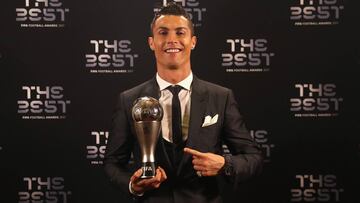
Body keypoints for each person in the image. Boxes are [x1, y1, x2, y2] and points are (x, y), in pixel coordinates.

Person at [104, 2, 263, 203]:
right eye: (163, 33)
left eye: (180, 33)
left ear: (193, 41)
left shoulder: (221, 97)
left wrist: (224, 164)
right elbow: (112, 163)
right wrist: (133, 185)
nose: (172, 40)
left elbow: (253, 158)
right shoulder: (129, 100)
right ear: (151, 42)